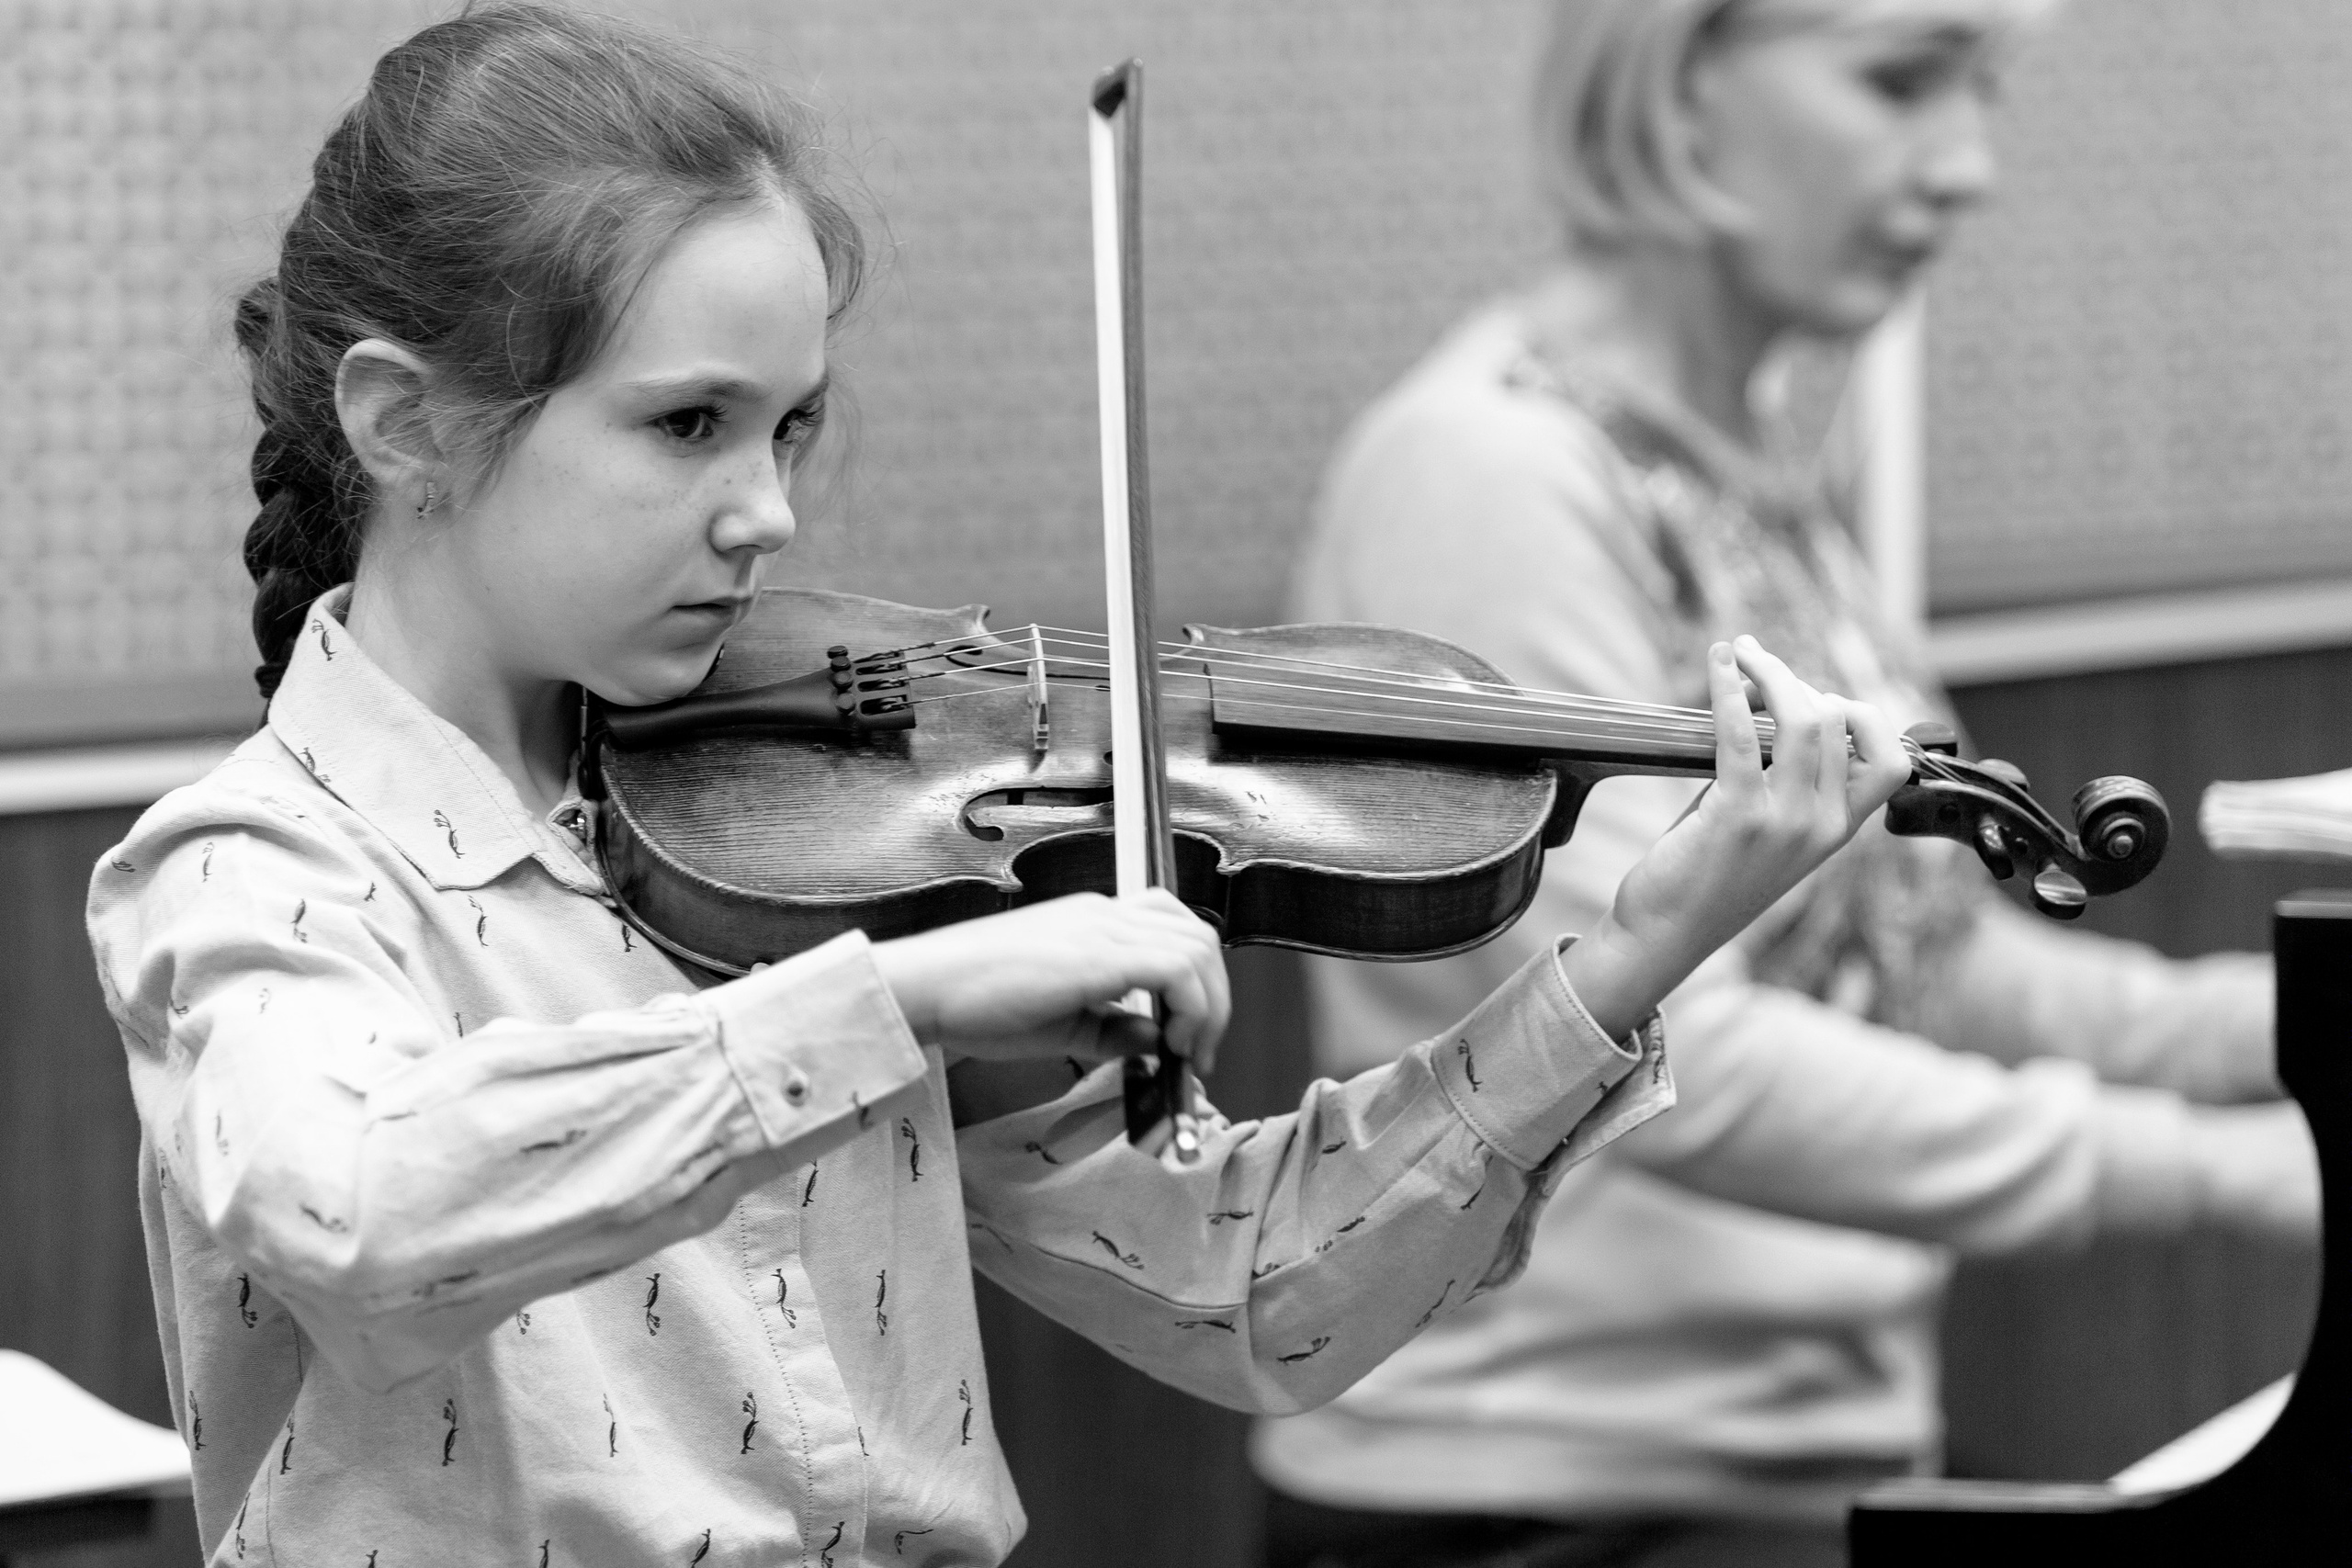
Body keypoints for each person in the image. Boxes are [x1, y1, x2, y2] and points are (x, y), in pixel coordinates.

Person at [82, 7, 1919, 1564]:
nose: (768, 510)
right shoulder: (252, 870)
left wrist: (1632, 955)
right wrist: (896, 1000)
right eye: (687, 423)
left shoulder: (793, 840)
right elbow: (364, 1214)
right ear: (405, 422)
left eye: (790, 426)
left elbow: (1252, 1295)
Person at [1252, 2, 2320, 1566]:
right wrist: (2223, 1172)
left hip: (1793, 1458)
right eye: (1901, 84)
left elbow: (1919, 961)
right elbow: (1663, 1046)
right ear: (1683, 84)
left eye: (1983, 93)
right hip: (1546, 1492)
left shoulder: (1755, 477)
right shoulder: (1484, 474)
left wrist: (2279, 1028)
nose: (1967, 165)